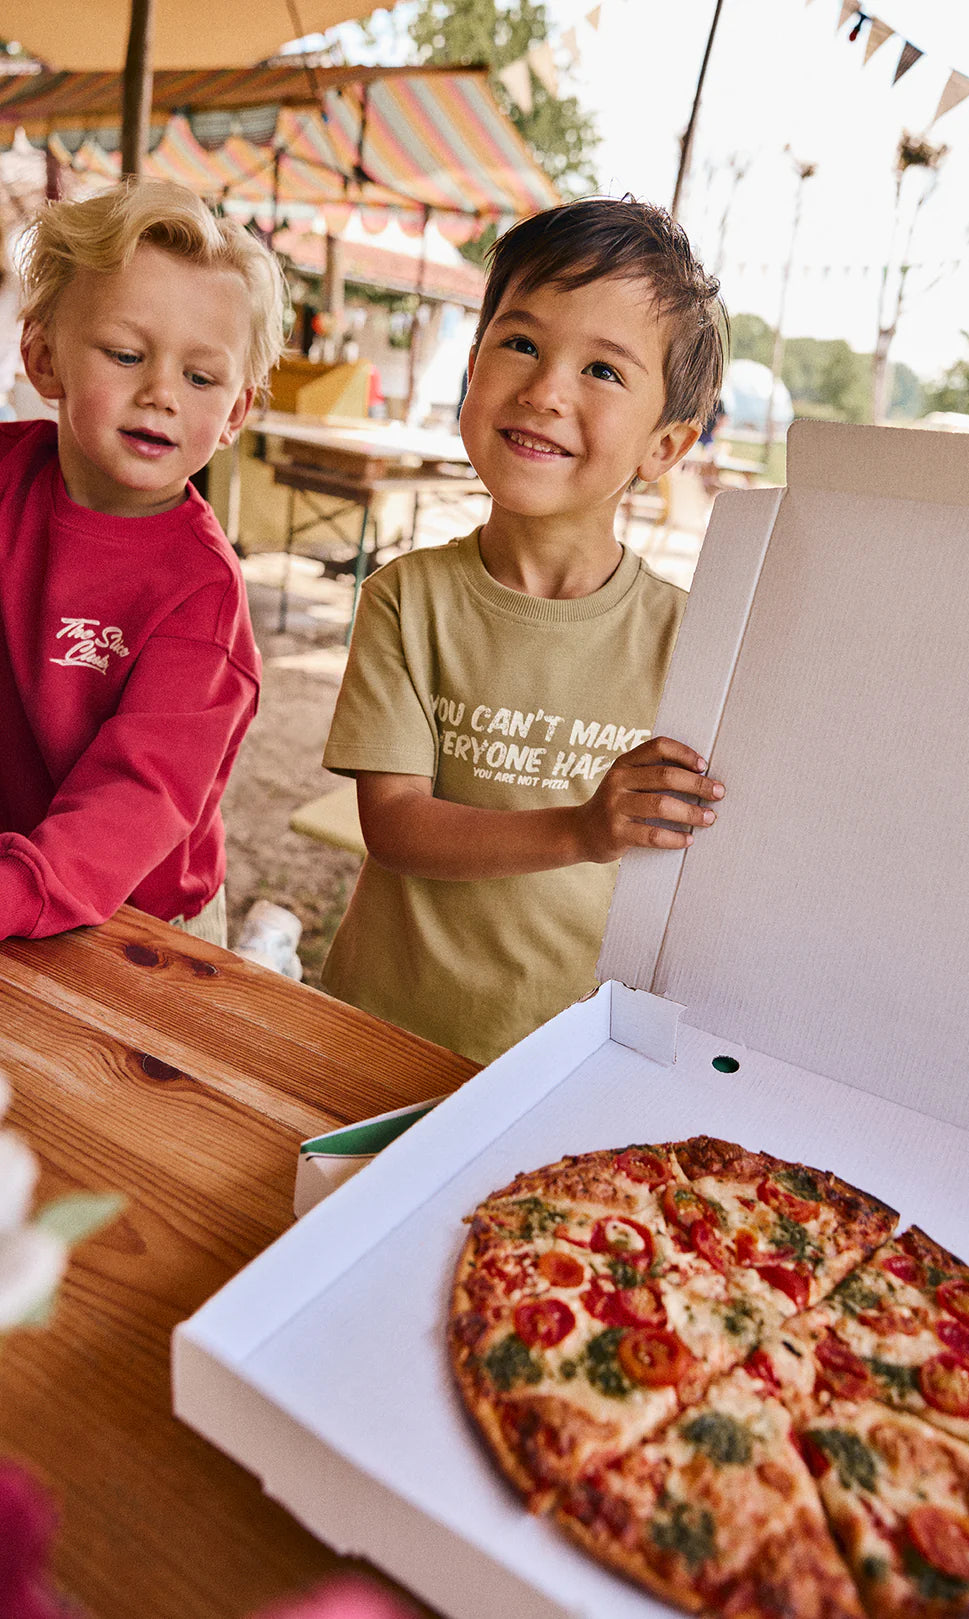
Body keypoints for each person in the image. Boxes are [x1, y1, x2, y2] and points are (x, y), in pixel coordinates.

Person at [322, 197, 726, 1064]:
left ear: (664, 446)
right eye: (521, 344)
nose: (545, 392)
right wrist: (583, 829)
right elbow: (394, 824)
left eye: (603, 370)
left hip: (563, 1061)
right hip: (376, 1031)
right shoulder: (406, 600)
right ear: (472, 369)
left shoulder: (693, 643)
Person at [0, 180, 287, 946]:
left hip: (144, 923)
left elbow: (136, 796)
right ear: (43, 358)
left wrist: (16, 889)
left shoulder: (203, 596)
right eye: (127, 355)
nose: (161, 392)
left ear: (233, 414)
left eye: (201, 377)